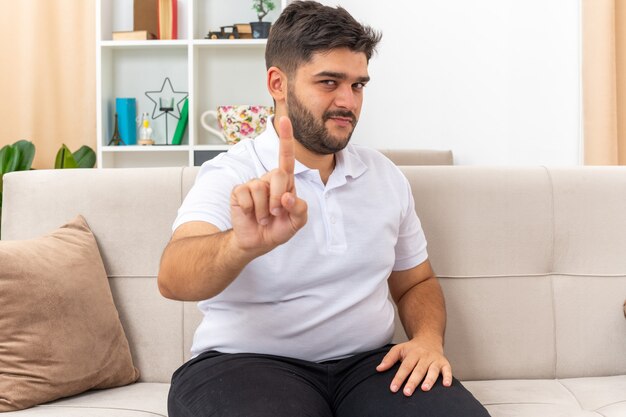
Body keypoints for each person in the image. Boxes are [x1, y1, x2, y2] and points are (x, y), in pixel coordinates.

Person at [158, 2, 490, 416]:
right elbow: (173, 278)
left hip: (370, 366)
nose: (347, 102)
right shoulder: (231, 173)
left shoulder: (385, 177)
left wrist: (427, 339)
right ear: (278, 83)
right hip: (244, 364)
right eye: (329, 82)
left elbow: (415, 281)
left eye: (358, 85)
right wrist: (239, 246)